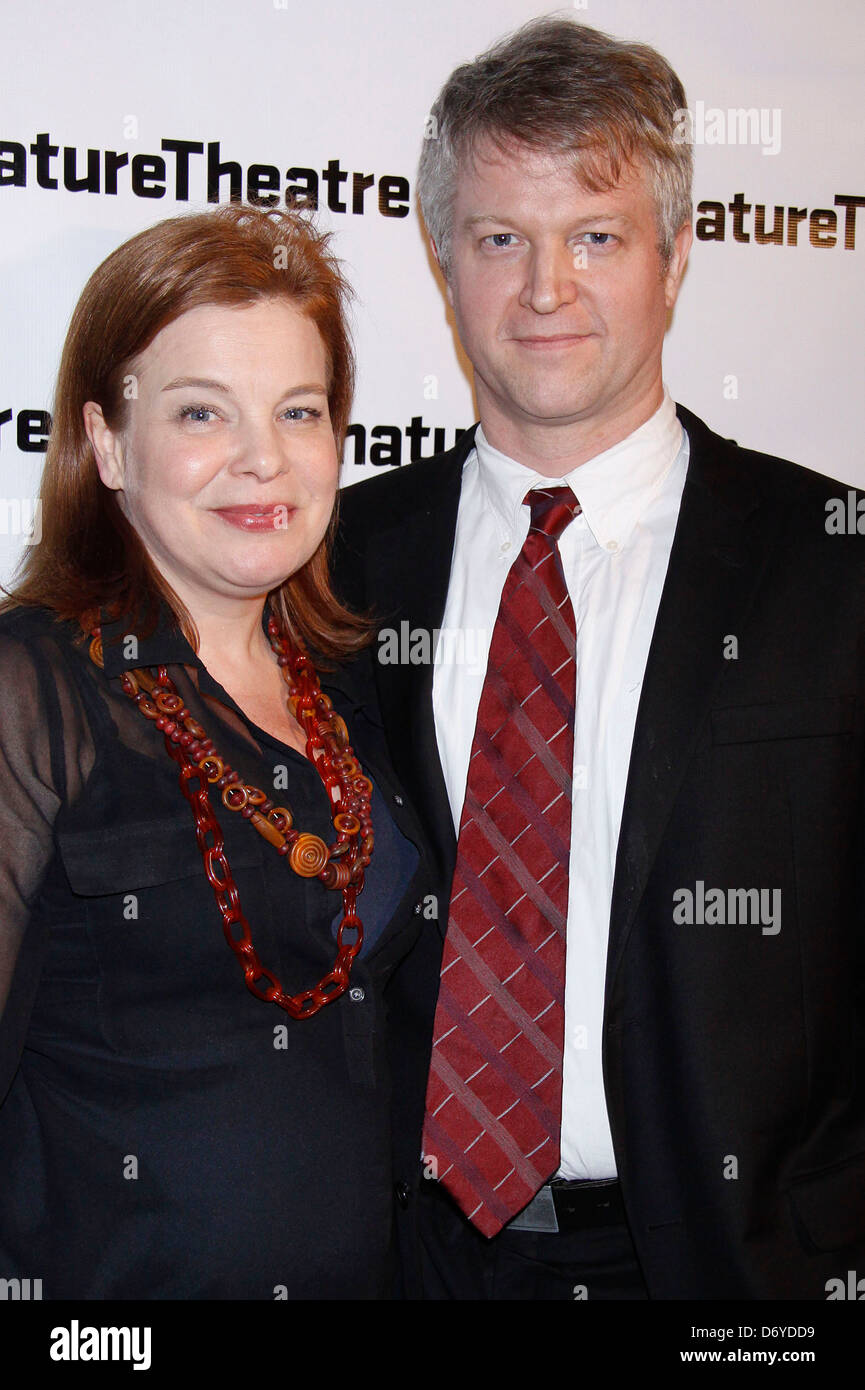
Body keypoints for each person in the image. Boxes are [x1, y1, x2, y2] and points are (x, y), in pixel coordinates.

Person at [333, 16, 865, 1299]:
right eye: (501, 238)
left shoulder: (835, 564)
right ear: (442, 255)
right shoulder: (334, 564)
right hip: (407, 1265)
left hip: (743, 1275)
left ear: (677, 256)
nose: (544, 289)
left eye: (596, 237)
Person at [0, 204, 434, 1300]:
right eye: (202, 412)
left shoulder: (348, 688)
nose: (262, 459)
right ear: (105, 442)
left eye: (299, 410)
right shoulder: (30, 690)